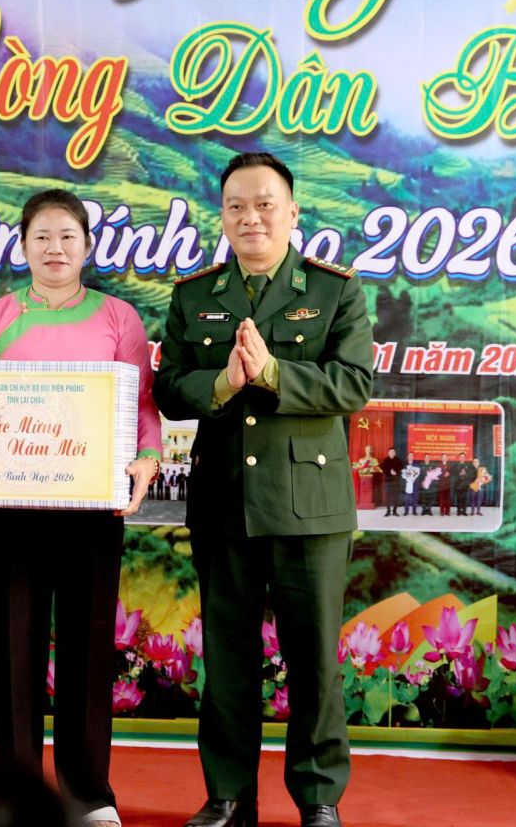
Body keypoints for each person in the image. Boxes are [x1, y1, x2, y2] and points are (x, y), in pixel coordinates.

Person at [154, 152, 374, 827]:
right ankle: (228, 796)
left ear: (292, 212)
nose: (251, 217)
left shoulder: (335, 290)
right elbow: (168, 388)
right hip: (224, 504)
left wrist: (274, 372)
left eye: (265, 204)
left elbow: (353, 385)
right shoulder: (196, 295)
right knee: (227, 660)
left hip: (311, 507)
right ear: (222, 216)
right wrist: (222, 383)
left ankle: (318, 798)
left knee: (314, 663)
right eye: (236, 206)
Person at [0, 189, 162, 827]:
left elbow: (142, 406)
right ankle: (17, 796)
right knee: (15, 652)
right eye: (42, 237)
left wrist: (147, 458)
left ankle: (88, 795)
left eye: (67, 236)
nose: (55, 248)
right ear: (22, 246)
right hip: (13, 509)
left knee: (89, 648)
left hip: (92, 510)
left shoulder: (118, 318)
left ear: (87, 246)